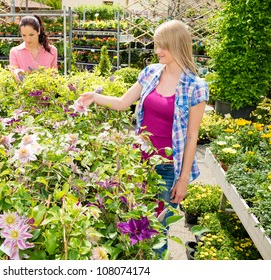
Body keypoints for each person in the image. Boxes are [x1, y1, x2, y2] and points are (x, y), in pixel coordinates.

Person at [77, 20, 209, 257]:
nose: (157, 51)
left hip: (169, 169)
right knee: (135, 222)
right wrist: (94, 97)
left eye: (162, 46)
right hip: (140, 162)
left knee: (157, 232)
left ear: (178, 46)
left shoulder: (195, 87)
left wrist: (184, 179)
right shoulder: (150, 73)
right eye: (156, 45)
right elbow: (122, 103)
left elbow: (192, 136)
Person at [9, 15, 57, 82]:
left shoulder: (51, 51)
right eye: (24, 35)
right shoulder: (15, 52)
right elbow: (14, 70)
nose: (28, 39)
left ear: (38, 31)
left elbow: (55, 75)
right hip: (24, 91)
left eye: (31, 35)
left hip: (47, 91)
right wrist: (16, 72)